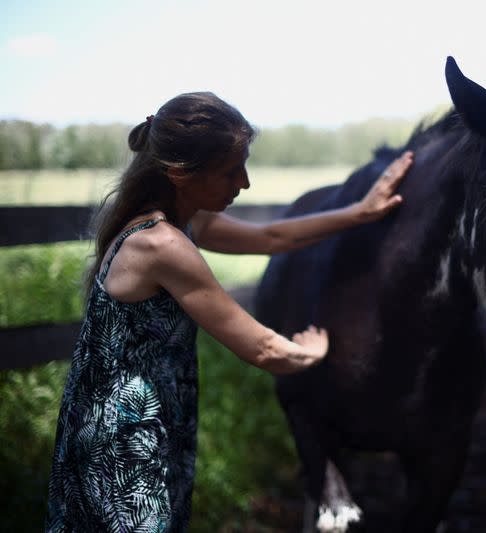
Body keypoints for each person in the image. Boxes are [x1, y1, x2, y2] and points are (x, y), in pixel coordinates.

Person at [45, 91, 414, 532]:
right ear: (182, 173)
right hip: (125, 436)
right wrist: (315, 352)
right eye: (229, 171)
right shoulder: (162, 244)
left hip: (148, 415)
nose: (244, 183)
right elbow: (262, 348)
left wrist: (359, 212)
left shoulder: (180, 220)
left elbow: (273, 238)